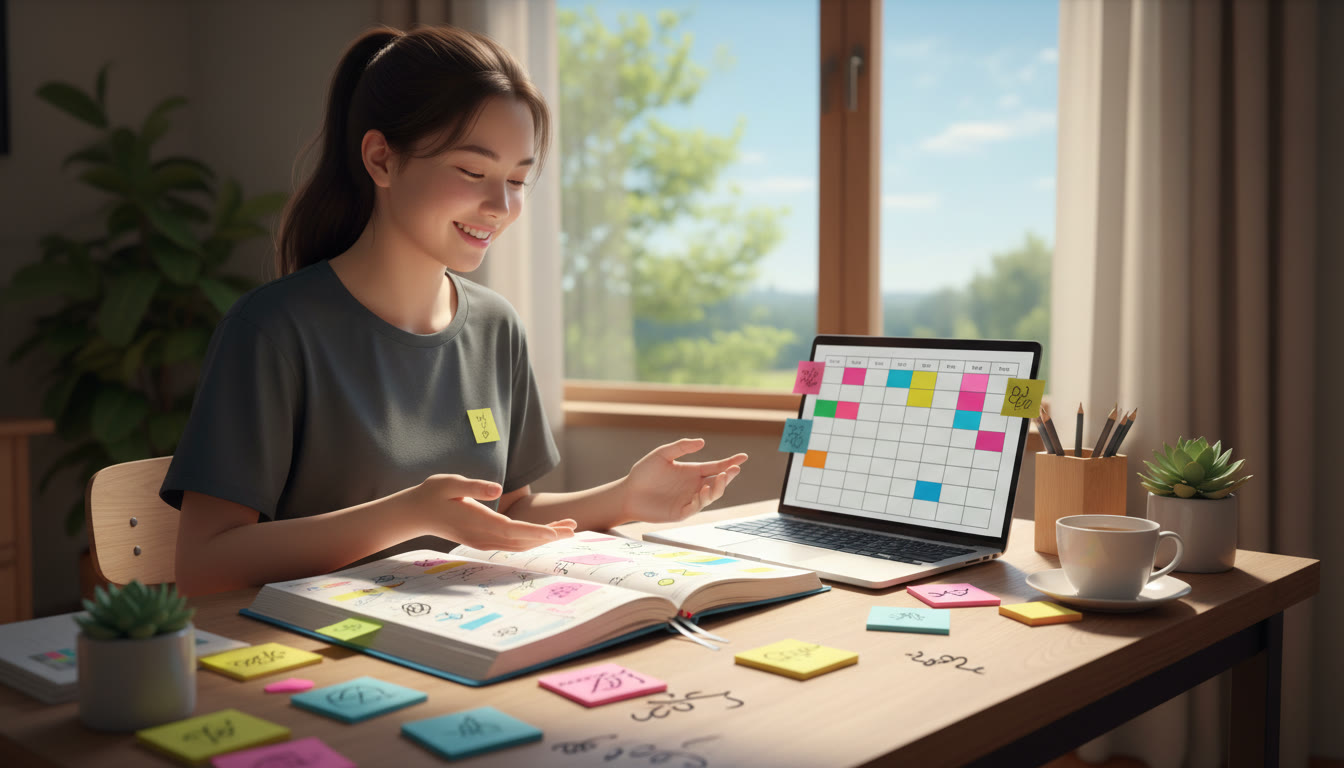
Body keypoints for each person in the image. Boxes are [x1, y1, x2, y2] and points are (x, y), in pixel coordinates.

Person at [161, 24, 747, 596]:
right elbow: (206, 564)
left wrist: (624, 498)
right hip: (322, 656)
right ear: (382, 160)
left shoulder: (495, 326)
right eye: (473, 171)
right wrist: (409, 515)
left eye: (518, 179)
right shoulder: (271, 332)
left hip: (467, 638)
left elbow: (508, 508)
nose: (499, 205)